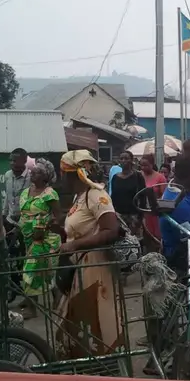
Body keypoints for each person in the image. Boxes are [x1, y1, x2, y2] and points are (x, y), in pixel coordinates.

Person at [55, 150, 122, 359]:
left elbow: (111, 231)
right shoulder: (79, 197)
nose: (61, 178)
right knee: (79, 319)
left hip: (94, 267)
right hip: (79, 266)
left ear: (72, 174)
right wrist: (60, 232)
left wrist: (75, 246)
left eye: (63, 173)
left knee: (94, 319)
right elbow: (80, 229)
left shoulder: (97, 196)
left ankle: (103, 368)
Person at [18, 158, 63, 319]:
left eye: (37, 172)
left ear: (45, 177)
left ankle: (32, 307)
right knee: (44, 271)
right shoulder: (26, 192)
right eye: (32, 171)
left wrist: (45, 226)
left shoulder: (50, 194)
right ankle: (57, 295)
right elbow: (23, 214)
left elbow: (59, 217)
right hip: (28, 238)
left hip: (45, 238)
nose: (32, 173)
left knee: (31, 269)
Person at [110, 151, 146, 237]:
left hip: (134, 216)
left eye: (126, 158)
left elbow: (143, 196)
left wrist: (140, 218)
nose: (123, 161)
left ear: (131, 160)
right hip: (119, 216)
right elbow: (113, 196)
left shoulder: (138, 176)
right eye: (121, 158)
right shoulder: (115, 177)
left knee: (135, 241)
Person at [140, 155, 167, 248]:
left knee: (156, 238)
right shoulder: (139, 176)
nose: (143, 168)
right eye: (141, 165)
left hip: (155, 213)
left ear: (152, 164)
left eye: (146, 165)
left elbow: (164, 196)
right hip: (143, 212)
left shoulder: (160, 178)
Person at [3, 148, 31, 229]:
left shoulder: (31, 176)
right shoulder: (7, 175)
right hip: (10, 221)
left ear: (24, 161)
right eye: (10, 160)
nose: (12, 163)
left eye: (15, 161)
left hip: (27, 222)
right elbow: (8, 196)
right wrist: (4, 214)